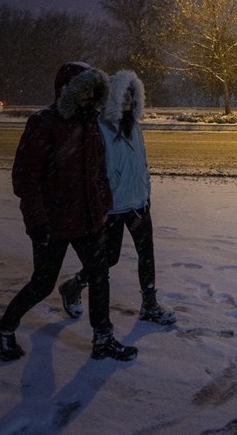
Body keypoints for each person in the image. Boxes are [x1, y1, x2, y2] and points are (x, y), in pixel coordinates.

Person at [0, 61, 138, 362]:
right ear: (67, 92)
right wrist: (36, 220)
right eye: (84, 92)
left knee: (99, 277)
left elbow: (98, 172)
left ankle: (104, 338)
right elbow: (25, 177)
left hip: (88, 219)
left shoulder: (91, 122)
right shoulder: (43, 123)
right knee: (42, 283)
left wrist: (104, 206)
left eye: (93, 93)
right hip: (52, 222)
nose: (89, 99)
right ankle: (4, 328)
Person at [59, 69, 176, 326]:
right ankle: (74, 286)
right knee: (108, 259)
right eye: (123, 95)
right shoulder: (98, 128)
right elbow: (93, 170)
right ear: (112, 97)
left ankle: (150, 303)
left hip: (137, 203)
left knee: (147, 254)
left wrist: (146, 193)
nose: (127, 101)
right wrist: (101, 201)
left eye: (132, 96)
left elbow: (142, 164)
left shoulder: (134, 128)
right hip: (111, 208)